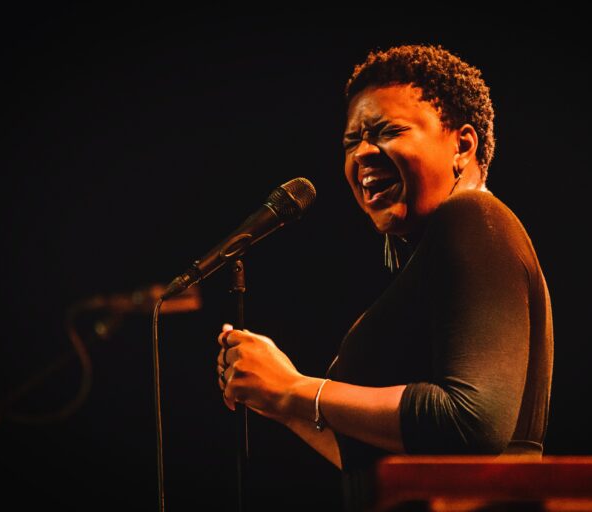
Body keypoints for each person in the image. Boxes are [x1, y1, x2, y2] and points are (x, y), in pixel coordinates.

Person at [215, 44, 554, 511]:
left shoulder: (474, 216)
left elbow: (470, 422)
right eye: (351, 141)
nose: (364, 154)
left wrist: (297, 390)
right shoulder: (440, 251)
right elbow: (372, 461)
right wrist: (280, 400)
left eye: (388, 131)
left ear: (463, 144)